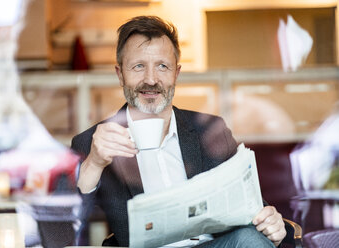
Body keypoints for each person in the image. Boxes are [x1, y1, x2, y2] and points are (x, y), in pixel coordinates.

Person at [71, 15, 286, 247]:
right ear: (120, 74)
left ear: (176, 73)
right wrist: (93, 164)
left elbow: (252, 208)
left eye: (162, 66)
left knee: (249, 239)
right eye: (138, 66)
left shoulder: (210, 130)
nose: (151, 79)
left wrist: (270, 220)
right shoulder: (93, 143)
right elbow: (59, 236)